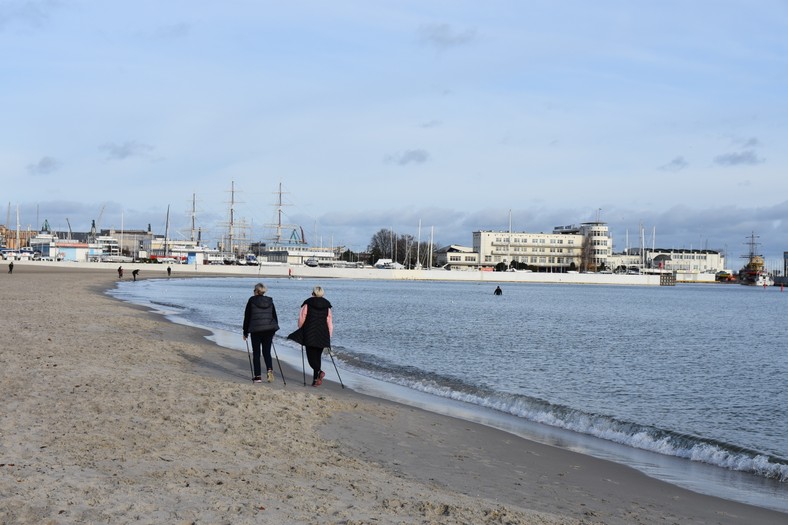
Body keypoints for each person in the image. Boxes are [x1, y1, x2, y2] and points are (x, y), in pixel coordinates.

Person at [243, 283, 279, 383]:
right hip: (269, 330)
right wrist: (274, 330)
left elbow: (247, 317)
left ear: (256, 291)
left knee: (256, 353)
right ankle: (269, 369)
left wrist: (245, 332)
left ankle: (258, 376)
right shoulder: (270, 301)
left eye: (254, 290)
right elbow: (274, 316)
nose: (253, 292)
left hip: (256, 330)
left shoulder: (251, 300)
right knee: (267, 352)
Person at [298, 286, 333, 386]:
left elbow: (302, 319)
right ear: (323, 294)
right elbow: (329, 322)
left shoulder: (307, 304)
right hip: (323, 333)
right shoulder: (327, 306)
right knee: (317, 357)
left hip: (310, 332)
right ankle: (315, 380)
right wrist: (329, 334)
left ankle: (319, 372)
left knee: (311, 357)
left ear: (312, 293)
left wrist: (301, 329)